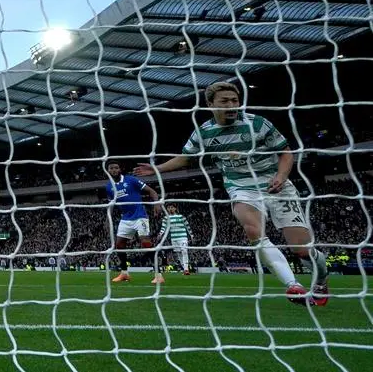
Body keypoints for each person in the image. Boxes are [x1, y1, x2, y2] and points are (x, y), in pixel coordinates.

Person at [135, 81, 328, 305]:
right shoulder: (204, 133)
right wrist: (157, 169)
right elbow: (186, 157)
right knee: (253, 229)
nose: (231, 105)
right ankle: (293, 286)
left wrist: (282, 176)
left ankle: (321, 280)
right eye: (224, 101)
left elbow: (285, 153)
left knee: (302, 250)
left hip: (277, 186)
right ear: (210, 104)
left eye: (234, 101)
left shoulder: (258, 123)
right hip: (241, 188)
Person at [104, 160, 163, 284]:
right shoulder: (109, 187)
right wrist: (107, 218)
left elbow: (152, 191)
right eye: (111, 168)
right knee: (119, 246)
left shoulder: (131, 180)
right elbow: (111, 204)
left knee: (146, 243)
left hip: (140, 216)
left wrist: (157, 203)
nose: (114, 170)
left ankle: (158, 275)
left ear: (120, 169)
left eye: (116, 167)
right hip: (125, 218)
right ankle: (124, 273)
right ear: (108, 171)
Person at [160, 204, 192, 275]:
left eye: (172, 207)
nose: (170, 209)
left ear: (175, 208)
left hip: (183, 237)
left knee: (184, 251)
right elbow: (163, 228)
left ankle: (186, 269)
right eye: (169, 208)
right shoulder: (166, 218)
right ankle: (185, 269)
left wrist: (191, 235)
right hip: (174, 238)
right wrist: (160, 234)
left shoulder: (181, 217)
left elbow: (187, 226)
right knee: (179, 253)